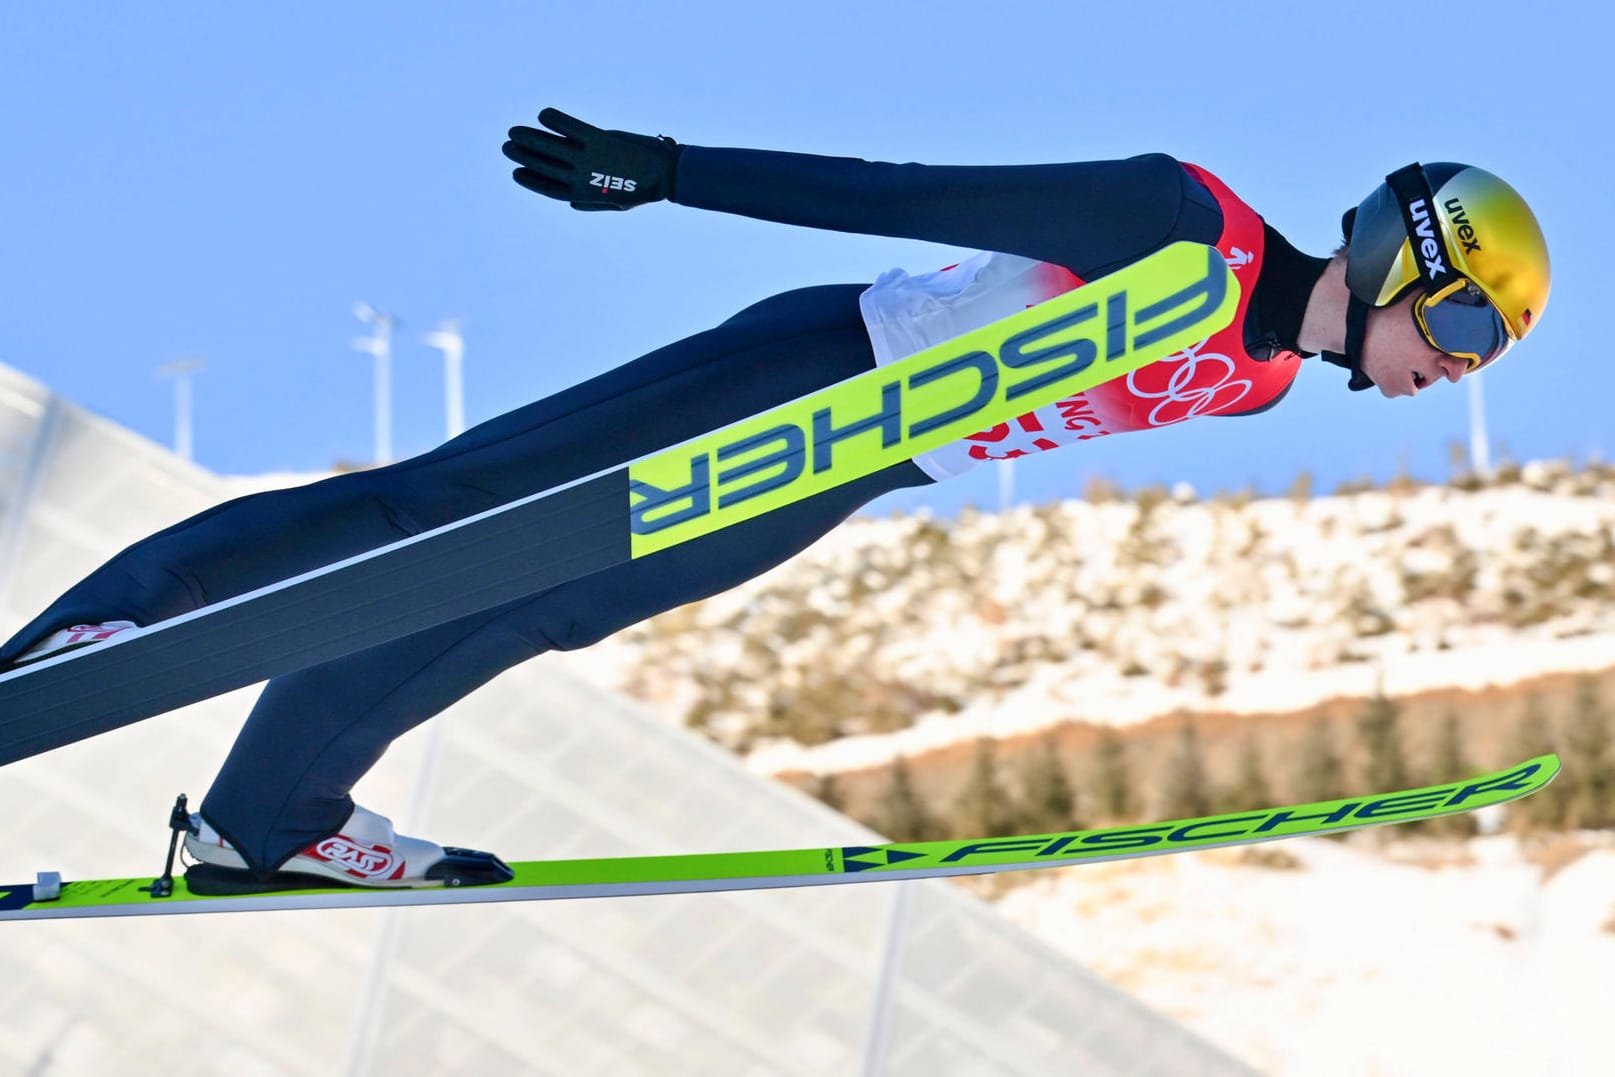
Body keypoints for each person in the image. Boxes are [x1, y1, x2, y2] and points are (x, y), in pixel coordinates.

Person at [0, 109, 1550, 892]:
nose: (1456, 369)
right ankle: (106, 628)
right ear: (1403, 253)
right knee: (448, 509)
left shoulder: (1265, 375)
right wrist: (669, 169)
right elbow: (909, 195)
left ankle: (269, 820)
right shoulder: (1178, 223)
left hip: (851, 463)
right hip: (812, 369)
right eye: (1466, 328)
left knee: (530, 595)